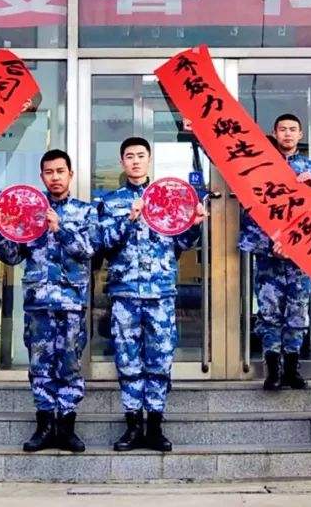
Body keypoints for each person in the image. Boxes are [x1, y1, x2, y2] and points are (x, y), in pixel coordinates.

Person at [99, 136, 207, 452]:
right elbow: (103, 243)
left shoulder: (167, 198)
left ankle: (156, 426)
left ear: (149, 160)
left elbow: (182, 243)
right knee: (128, 360)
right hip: (125, 294)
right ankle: (133, 426)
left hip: (160, 292)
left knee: (159, 360)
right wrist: (128, 219)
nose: (135, 161)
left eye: (140, 155)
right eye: (129, 156)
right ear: (122, 162)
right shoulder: (111, 202)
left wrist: (195, 225)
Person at [0, 149, 101, 453]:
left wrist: (59, 229)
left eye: (60, 171)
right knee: (40, 365)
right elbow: (12, 256)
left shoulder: (85, 212)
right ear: (42, 177)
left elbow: (90, 249)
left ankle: (67, 427)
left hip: (71, 303)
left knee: (69, 364)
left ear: (70, 175)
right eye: (49, 172)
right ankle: (44, 426)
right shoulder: (29, 212)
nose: (55, 177)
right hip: (39, 302)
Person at [239, 113, 311, 391]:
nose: (287, 134)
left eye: (292, 129)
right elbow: (248, 204)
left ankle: (292, 369)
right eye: (282, 129)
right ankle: (273, 370)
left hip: (301, 256)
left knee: (297, 312)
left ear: (300, 135)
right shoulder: (260, 166)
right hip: (269, 254)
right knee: (269, 312)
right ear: (274, 133)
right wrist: (271, 243)